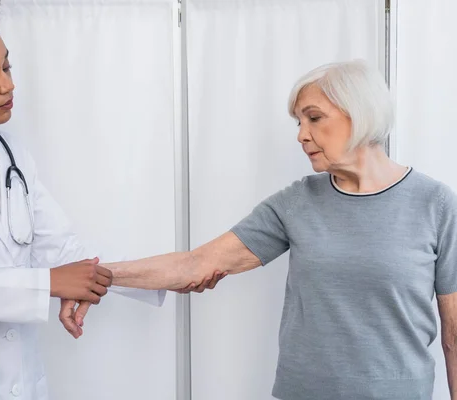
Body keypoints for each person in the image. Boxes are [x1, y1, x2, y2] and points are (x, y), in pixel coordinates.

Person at [0, 0, 224, 398]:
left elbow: (62, 250)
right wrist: (48, 284)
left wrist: (169, 274)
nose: (7, 85)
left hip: (15, 377)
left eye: (7, 67)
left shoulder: (11, 154)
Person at [64, 60, 457, 400]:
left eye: (314, 118)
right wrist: (96, 276)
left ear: (361, 113)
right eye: (299, 122)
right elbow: (195, 264)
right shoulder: (297, 202)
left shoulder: (435, 204)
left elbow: (453, 334)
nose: (301, 134)